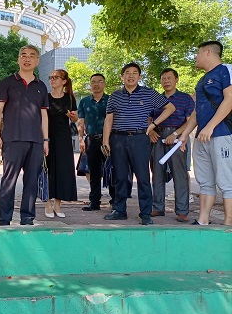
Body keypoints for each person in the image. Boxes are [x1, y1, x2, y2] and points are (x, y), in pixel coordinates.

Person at [102, 62, 175, 225]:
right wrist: (106, 140)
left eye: (134, 73)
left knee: (142, 177)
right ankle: (119, 210)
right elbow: (109, 119)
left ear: (139, 76)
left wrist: (153, 124)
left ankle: (146, 213)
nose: (131, 76)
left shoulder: (149, 93)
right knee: (120, 177)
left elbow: (170, 108)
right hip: (118, 139)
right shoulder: (114, 96)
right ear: (122, 77)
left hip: (140, 139)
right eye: (127, 73)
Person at [0, 45, 49, 226]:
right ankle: (5, 219)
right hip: (12, 139)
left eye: (32, 56)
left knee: (31, 182)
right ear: (18, 59)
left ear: (37, 61)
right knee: (9, 180)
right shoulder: (7, 82)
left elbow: (44, 115)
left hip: (36, 141)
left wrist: (46, 139)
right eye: (23, 55)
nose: (27, 58)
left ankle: (27, 218)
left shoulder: (41, 86)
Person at [179, 40, 232, 226]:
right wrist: (185, 134)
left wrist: (210, 126)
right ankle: (203, 220)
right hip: (202, 137)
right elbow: (196, 112)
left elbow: (230, 99)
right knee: (205, 180)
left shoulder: (226, 70)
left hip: (222, 134)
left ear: (208, 52)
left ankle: (228, 222)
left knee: (227, 181)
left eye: (198, 52)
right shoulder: (201, 80)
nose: (195, 57)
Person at [149, 68, 195, 222]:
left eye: (169, 78)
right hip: (157, 137)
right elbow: (149, 118)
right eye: (163, 78)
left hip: (177, 138)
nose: (166, 81)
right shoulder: (156, 98)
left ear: (176, 79)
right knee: (157, 173)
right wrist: (151, 131)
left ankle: (182, 211)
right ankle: (157, 207)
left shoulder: (185, 98)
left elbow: (190, 121)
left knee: (179, 174)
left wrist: (176, 134)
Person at [78, 73, 115, 210]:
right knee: (93, 172)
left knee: (111, 170)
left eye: (99, 81)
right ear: (90, 85)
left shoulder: (111, 100)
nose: (96, 84)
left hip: (109, 140)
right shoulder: (84, 101)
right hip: (91, 140)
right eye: (93, 82)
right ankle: (94, 202)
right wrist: (81, 139)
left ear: (104, 84)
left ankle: (115, 201)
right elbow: (81, 122)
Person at [45, 69, 78, 218]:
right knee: (47, 168)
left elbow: (75, 118)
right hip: (47, 136)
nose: (52, 79)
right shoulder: (45, 97)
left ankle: (58, 204)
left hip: (63, 137)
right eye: (51, 77)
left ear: (64, 81)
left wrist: (72, 116)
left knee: (62, 170)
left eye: (56, 77)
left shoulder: (69, 98)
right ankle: (47, 203)